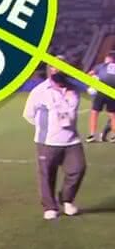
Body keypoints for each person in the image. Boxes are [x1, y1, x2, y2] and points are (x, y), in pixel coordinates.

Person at [22, 60, 86, 220]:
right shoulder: (40, 91)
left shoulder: (74, 89)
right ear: (49, 70)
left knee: (78, 169)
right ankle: (50, 207)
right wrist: (44, 128)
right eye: (54, 67)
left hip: (72, 140)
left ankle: (67, 200)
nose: (56, 71)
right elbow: (28, 114)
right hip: (47, 142)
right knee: (46, 175)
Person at [86, 52, 115, 142]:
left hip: (101, 90)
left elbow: (89, 74)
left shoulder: (101, 66)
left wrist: (92, 83)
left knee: (94, 112)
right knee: (112, 115)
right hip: (112, 92)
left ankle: (92, 135)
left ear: (109, 58)